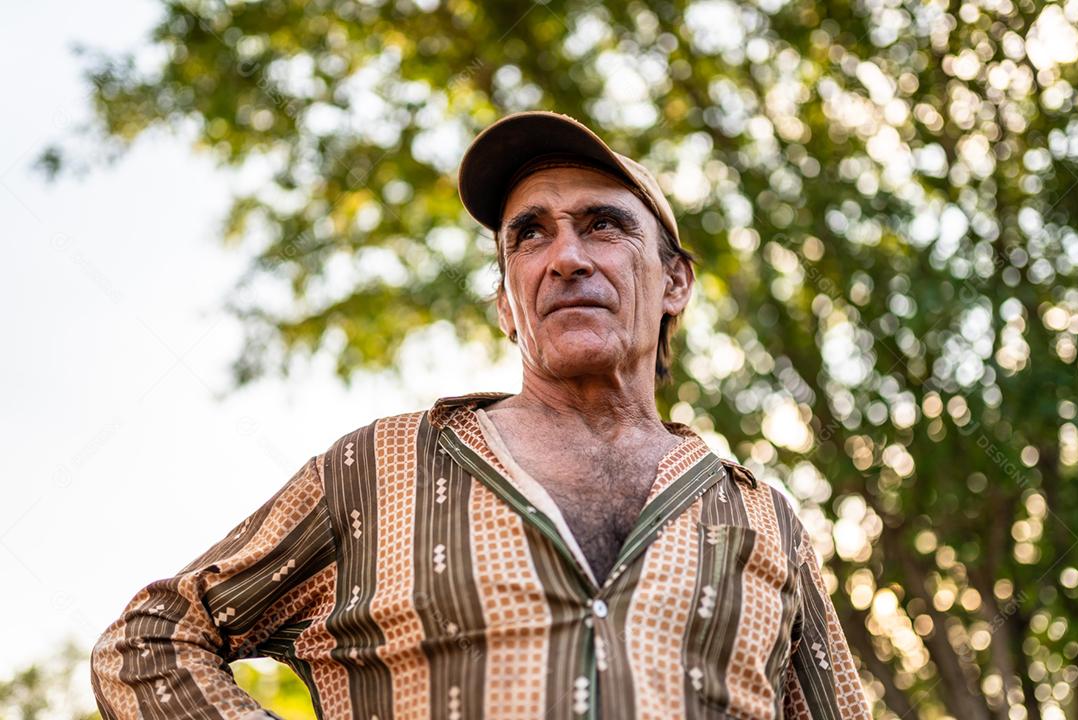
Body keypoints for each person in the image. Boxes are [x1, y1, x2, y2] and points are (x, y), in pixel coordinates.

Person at [90, 111, 872, 719]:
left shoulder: (763, 518)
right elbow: (151, 638)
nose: (565, 256)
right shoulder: (376, 470)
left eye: (603, 223)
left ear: (675, 284)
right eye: (528, 235)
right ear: (507, 303)